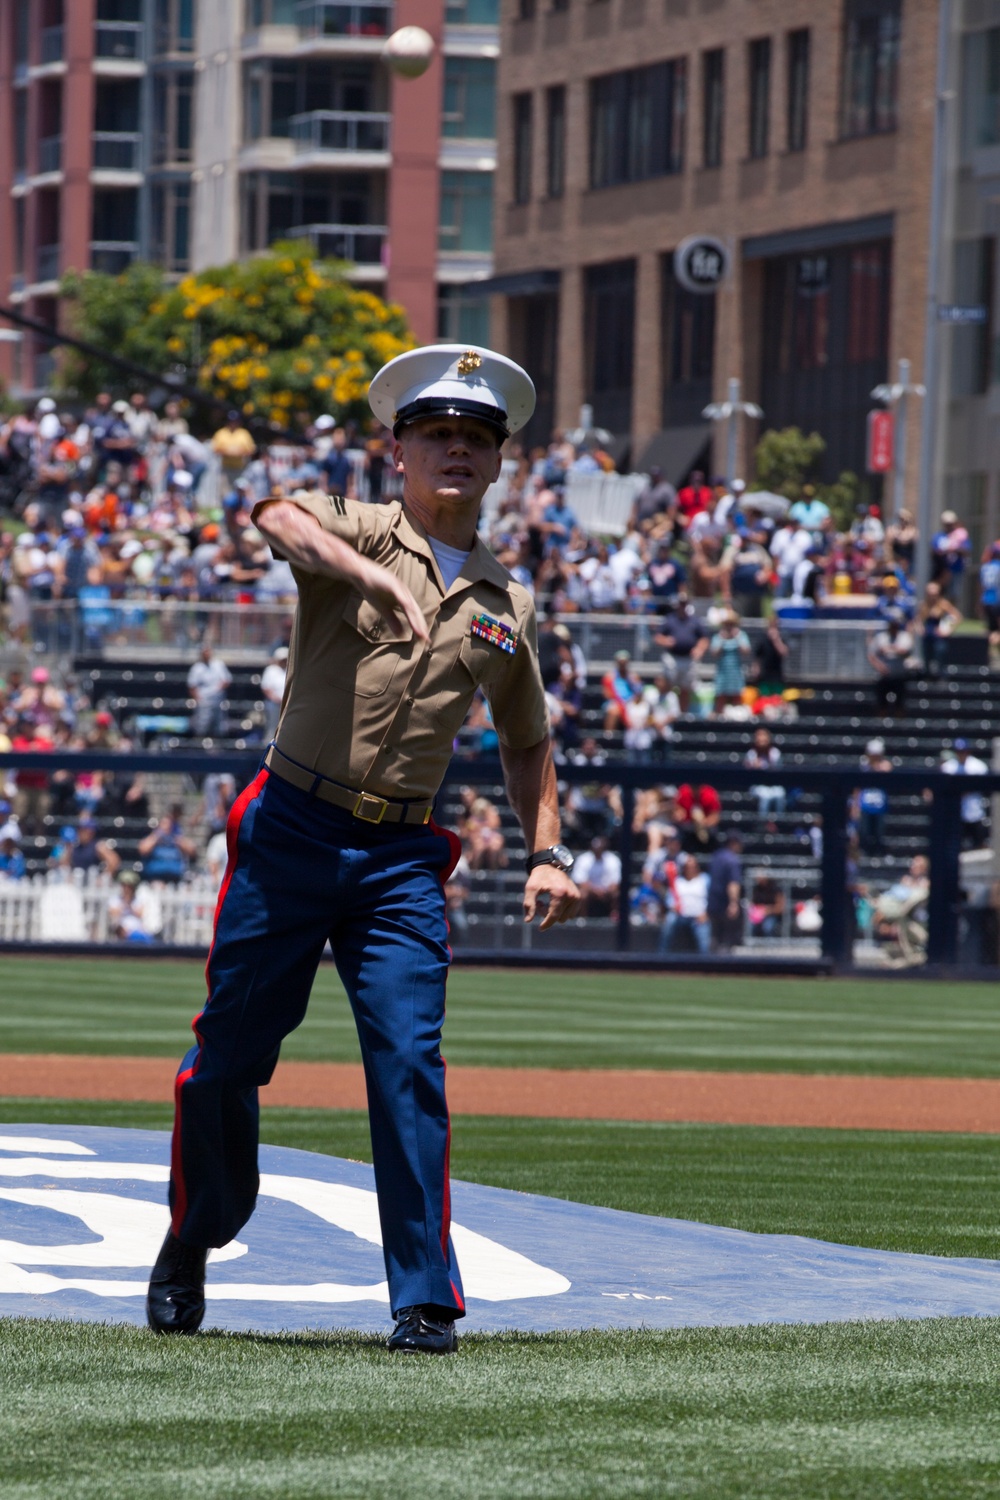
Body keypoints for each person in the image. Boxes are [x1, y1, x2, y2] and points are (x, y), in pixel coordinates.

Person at [146, 342, 580, 1356]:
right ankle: (191, 1241)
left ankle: (424, 1295)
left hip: (397, 860)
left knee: (407, 1065)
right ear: (398, 451)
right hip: (291, 829)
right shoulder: (357, 530)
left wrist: (546, 852)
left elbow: (527, 743)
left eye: (475, 439)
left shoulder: (506, 607)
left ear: (500, 462)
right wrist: (364, 582)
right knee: (224, 1062)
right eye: (436, 434)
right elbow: (275, 516)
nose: (455, 452)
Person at [941, 739, 990, 849]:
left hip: (974, 812)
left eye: (963, 751)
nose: (961, 754)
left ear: (968, 751)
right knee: (954, 847)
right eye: (959, 751)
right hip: (956, 814)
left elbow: (984, 786)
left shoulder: (978, 766)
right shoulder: (948, 767)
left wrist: (963, 790)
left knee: (979, 846)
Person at [659, 853, 710, 954]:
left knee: (704, 934)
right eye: (687, 867)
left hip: (698, 917)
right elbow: (670, 900)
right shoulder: (678, 881)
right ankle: (661, 956)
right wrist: (674, 907)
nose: (690, 869)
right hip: (680, 916)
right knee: (669, 920)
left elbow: (712, 898)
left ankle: (705, 961)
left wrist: (706, 913)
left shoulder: (705, 879)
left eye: (693, 866)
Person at [867, 614, 914, 717]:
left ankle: (900, 728)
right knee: (881, 704)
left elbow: (905, 651)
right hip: (884, 677)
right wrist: (879, 666)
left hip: (899, 676)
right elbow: (872, 655)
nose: (894, 627)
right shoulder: (880, 638)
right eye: (892, 625)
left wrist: (890, 649)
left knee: (900, 705)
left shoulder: (904, 637)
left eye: (896, 625)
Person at [708, 610, 752, 714]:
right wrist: (722, 639)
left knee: (737, 697)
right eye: (727, 624)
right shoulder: (718, 636)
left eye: (731, 624)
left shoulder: (741, 635)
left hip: (736, 671)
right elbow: (714, 653)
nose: (729, 627)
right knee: (720, 697)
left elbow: (746, 651)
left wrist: (737, 637)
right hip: (722, 671)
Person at [707, 830, 743, 952]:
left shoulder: (716, 856)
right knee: (727, 940)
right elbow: (733, 884)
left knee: (714, 936)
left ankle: (710, 965)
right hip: (724, 903)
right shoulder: (732, 860)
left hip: (712, 903)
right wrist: (733, 903)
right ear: (733, 843)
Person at [186, 644, 232, 740]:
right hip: (204, 700)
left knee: (219, 725)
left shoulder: (218, 664)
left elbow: (227, 680)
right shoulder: (197, 668)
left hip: (218, 699)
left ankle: (218, 745)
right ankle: (199, 744)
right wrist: (199, 699)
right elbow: (192, 686)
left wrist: (217, 690)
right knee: (202, 725)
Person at [745, 726, 785, 822]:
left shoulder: (775, 753)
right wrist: (753, 766)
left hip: (773, 785)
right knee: (765, 796)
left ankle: (779, 822)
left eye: (764, 736)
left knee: (780, 793)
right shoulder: (751, 754)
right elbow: (746, 772)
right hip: (757, 786)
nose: (761, 739)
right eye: (759, 736)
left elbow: (779, 772)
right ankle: (762, 823)